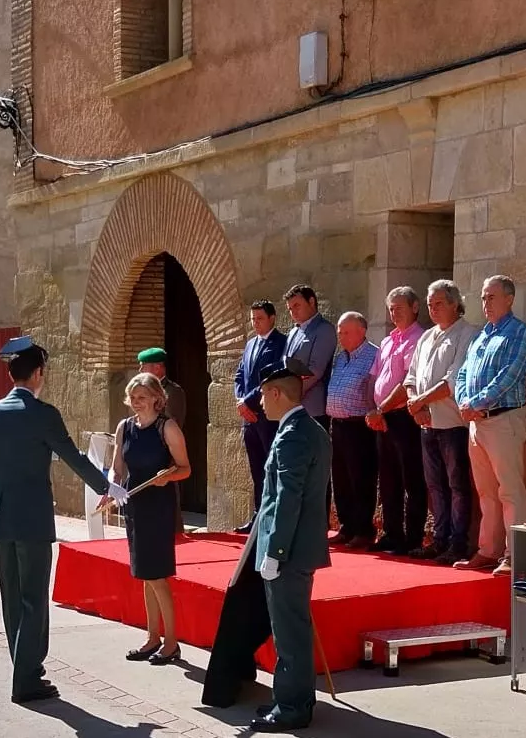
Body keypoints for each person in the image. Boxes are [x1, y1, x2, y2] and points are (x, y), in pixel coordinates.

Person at [0, 337, 129, 704]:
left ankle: (23, 665)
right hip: (30, 517)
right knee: (33, 598)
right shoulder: (42, 414)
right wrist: (106, 485)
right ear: (39, 374)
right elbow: (72, 456)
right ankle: (27, 678)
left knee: (12, 597)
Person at [247, 358, 332, 732]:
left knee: (289, 632)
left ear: (277, 393)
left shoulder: (294, 434)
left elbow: (288, 497)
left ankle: (292, 707)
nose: (260, 401)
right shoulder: (308, 429)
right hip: (299, 547)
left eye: (264, 394)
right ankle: (295, 697)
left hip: (290, 550)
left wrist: (275, 552)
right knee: (293, 627)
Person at [454, 275, 526, 577]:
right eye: (483, 297)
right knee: (485, 491)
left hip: (503, 419)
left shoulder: (520, 333)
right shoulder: (481, 336)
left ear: (509, 299)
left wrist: (474, 403)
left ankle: (516, 555)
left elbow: (510, 375)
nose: (485, 303)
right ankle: (488, 550)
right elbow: (462, 373)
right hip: (478, 422)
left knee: (510, 489)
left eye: (491, 297)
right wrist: (464, 400)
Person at [106, 373, 192, 666]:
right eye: (132, 397)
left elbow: (185, 469)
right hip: (135, 504)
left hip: (158, 505)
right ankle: (152, 637)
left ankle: (171, 643)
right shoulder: (124, 427)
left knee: (157, 576)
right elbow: (117, 466)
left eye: (142, 397)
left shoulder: (166, 427)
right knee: (145, 574)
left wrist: (167, 477)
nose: (136, 403)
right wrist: (111, 487)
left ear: (157, 398)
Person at [402, 280, 478, 564]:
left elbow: (453, 379)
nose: (433, 310)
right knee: (435, 485)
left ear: (455, 304)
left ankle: (458, 542)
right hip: (426, 422)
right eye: (430, 305)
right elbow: (410, 377)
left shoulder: (467, 334)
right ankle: (439, 538)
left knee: (457, 484)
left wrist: (419, 401)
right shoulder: (426, 337)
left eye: (439, 304)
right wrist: (414, 404)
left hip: (452, 423)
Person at [364, 287, 429, 556]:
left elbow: (407, 383)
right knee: (388, 478)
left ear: (415, 307)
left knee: (411, 478)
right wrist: (372, 409)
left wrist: (381, 408)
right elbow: (372, 378)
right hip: (382, 415)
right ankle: (391, 533)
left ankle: (412, 538)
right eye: (391, 308)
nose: (394, 313)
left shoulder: (419, 339)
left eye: (399, 307)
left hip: (403, 416)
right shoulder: (388, 340)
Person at [232, 301, 288, 534]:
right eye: (253, 319)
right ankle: (258, 515)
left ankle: (274, 515)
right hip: (249, 417)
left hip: (268, 415)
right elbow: (239, 375)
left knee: (271, 466)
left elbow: (273, 376)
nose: (255, 324)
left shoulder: (281, 344)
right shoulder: (250, 344)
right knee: (256, 469)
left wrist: (250, 401)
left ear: (272, 318)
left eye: (260, 319)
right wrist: (240, 400)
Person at [325, 311, 380, 549]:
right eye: (339, 331)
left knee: (361, 478)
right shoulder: (341, 357)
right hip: (337, 425)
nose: (341, 335)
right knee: (341, 479)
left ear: (362, 331)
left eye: (346, 331)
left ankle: (364, 529)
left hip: (359, 426)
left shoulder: (373, 355)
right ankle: (346, 527)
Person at [281, 285, 337, 430]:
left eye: (297, 306)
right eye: (290, 309)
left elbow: (316, 370)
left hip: (312, 408)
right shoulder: (294, 331)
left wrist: (292, 396)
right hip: (291, 408)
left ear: (311, 302)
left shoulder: (324, 329)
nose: (293, 312)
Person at [135, 348, 186, 427]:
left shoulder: (173, 391)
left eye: (143, 366)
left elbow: (172, 425)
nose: (140, 370)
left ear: (157, 368)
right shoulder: (144, 389)